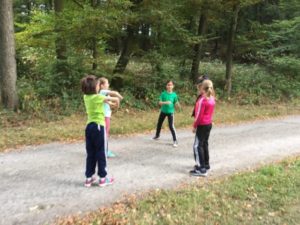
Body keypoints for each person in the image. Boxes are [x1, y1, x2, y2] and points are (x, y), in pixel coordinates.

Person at [81, 75, 120, 187]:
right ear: (94, 87)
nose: (99, 87)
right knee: (101, 152)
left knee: (91, 153)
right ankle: (103, 178)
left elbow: (105, 101)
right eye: (98, 85)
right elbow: (115, 99)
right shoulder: (97, 97)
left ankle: (89, 178)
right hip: (99, 127)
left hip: (89, 127)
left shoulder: (86, 97)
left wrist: (111, 103)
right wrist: (117, 102)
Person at [190, 79, 215, 177]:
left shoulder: (202, 100)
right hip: (208, 124)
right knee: (204, 144)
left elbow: (199, 115)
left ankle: (201, 169)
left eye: (199, 87)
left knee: (197, 146)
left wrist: (194, 126)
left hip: (202, 125)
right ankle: (206, 164)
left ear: (202, 88)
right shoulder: (212, 98)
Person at [98, 77, 123, 158]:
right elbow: (114, 93)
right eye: (107, 83)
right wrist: (119, 96)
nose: (108, 84)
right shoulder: (102, 91)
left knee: (103, 134)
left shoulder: (105, 94)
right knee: (105, 134)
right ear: (101, 85)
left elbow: (110, 104)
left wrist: (116, 105)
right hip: (105, 116)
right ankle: (105, 152)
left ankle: (101, 150)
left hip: (106, 116)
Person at [152, 80, 180, 147]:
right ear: (166, 86)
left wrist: (178, 105)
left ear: (173, 86)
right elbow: (159, 103)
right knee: (159, 123)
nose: (169, 86)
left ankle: (175, 140)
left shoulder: (174, 95)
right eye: (168, 85)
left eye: (171, 85)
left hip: (170, 113)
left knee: (171, 126)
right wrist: (165, 102)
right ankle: (157, 135)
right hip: (163, 111)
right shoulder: (163, 94)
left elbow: (176, 102)